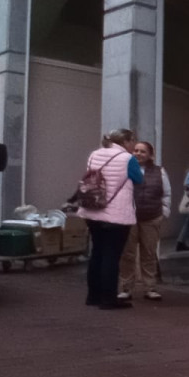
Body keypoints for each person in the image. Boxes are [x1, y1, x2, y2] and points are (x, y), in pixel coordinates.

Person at [79, 128, 143, 310]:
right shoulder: (127, 159)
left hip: (92, 210)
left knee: (97, 252)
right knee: (111, 256)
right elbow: (138, 179)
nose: (134, 146)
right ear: (127, 141)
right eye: (133, 142)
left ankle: (93, 295)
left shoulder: (94, 154)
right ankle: (108, 299)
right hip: (116, 213)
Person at [118, 140, 171, 302]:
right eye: (136, 150)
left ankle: (150, 287)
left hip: (152, 217)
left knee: (149, 253)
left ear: (150, 155)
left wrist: (164, 212)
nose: (138, 154)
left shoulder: (159, 171)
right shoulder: (125, 169)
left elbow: (166, 193)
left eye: (143, 151)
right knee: (128, 254)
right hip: (129, 217)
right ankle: (126, 288)